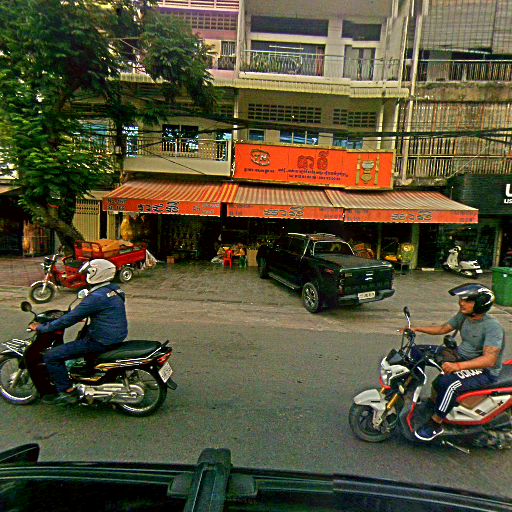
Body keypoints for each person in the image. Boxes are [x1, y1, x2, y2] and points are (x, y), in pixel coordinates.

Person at [408, 283, 504, 441]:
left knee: (448, 384)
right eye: (462, 299)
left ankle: (436, 423)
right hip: (461, 356)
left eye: (467, 301)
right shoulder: (464, 316)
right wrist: (417, 329)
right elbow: (443, 328)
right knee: (418, 352)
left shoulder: (492, 327)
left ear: (480, 304)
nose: (461, 303)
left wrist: (457, 366)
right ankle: (416, 392)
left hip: (483, 370)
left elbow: (489, 360)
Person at [29, 259, 128, 406]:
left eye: (89, 272)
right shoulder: (115, 290)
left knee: (52, 356)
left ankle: (67, 391)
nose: (86, 275)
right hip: (115, 335)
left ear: (97, 273)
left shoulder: (96, 297)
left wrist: (42, 328)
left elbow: (69, 319)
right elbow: (107, 311)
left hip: (101, 340)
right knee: (80, 338)